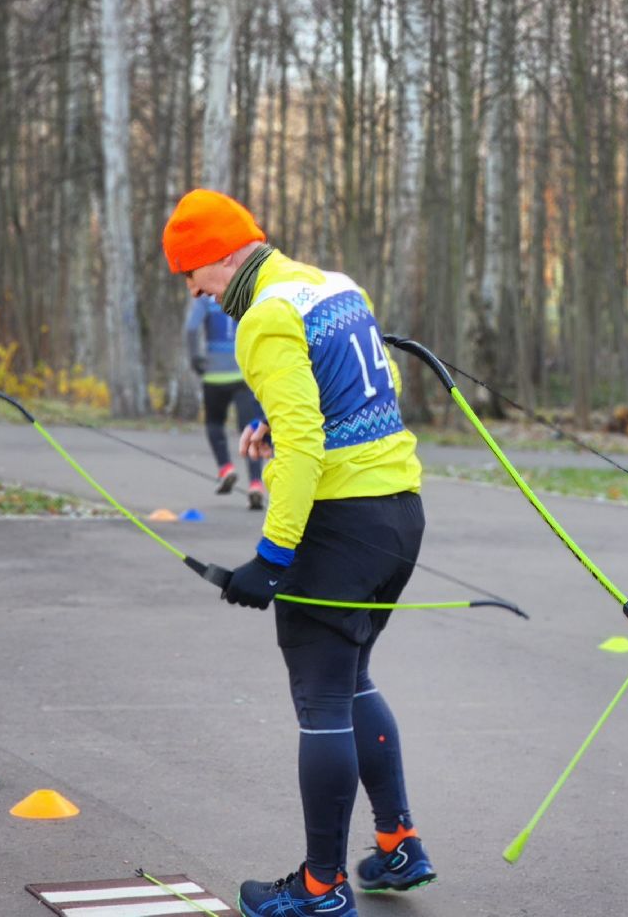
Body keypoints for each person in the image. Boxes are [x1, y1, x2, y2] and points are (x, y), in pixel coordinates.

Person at [162, 188, 433, 917]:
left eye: (192, 271)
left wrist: (272, 556)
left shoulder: (264, 317)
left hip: (338, 527)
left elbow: (309, 442)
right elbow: (381, 389)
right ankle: (399, 842)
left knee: (321, 703)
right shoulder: (333, 285)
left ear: (222, 255)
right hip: (399, 515)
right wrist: (277, 423)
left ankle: (321, 887)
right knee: (351, 683)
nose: (193, 289)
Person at [186, 293, 266, 509]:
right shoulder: (245, 293)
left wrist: (196, 359)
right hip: (243, 373)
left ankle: (226, 468)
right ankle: (256, 484)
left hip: (214, 373)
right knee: (251, 428)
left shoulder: (205, 299)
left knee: (214, 423)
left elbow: (192, 328)